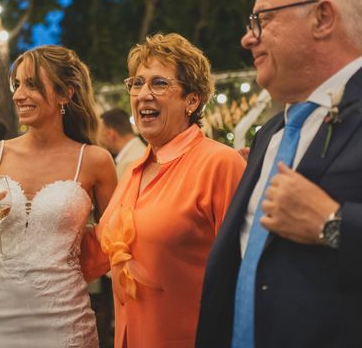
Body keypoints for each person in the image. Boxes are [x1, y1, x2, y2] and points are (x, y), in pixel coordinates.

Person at [196, 0, 362, 348]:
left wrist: (336, 225)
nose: (247, 39)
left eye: (262, 20)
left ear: (322, 18)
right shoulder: (269, 136)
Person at [0, 45, 117, 347]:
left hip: (64, 318)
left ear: (65, 93)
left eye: (31, 85)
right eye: (17, 84)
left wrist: (71, 267)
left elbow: (114, 241)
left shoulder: (95, 160)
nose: (19, 94)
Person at [81, 33, 246, 348]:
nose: (143, 94)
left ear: (192, 100)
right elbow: (95, 256)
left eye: (158, 83)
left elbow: (243, 271)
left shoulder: (219, 164)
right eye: (137, 83)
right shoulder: (132, 172)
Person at [99, 107, 146, 179]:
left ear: (110, 134)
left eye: (101, 135)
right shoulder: (142, 150)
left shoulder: (129, 163)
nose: (99, 141)